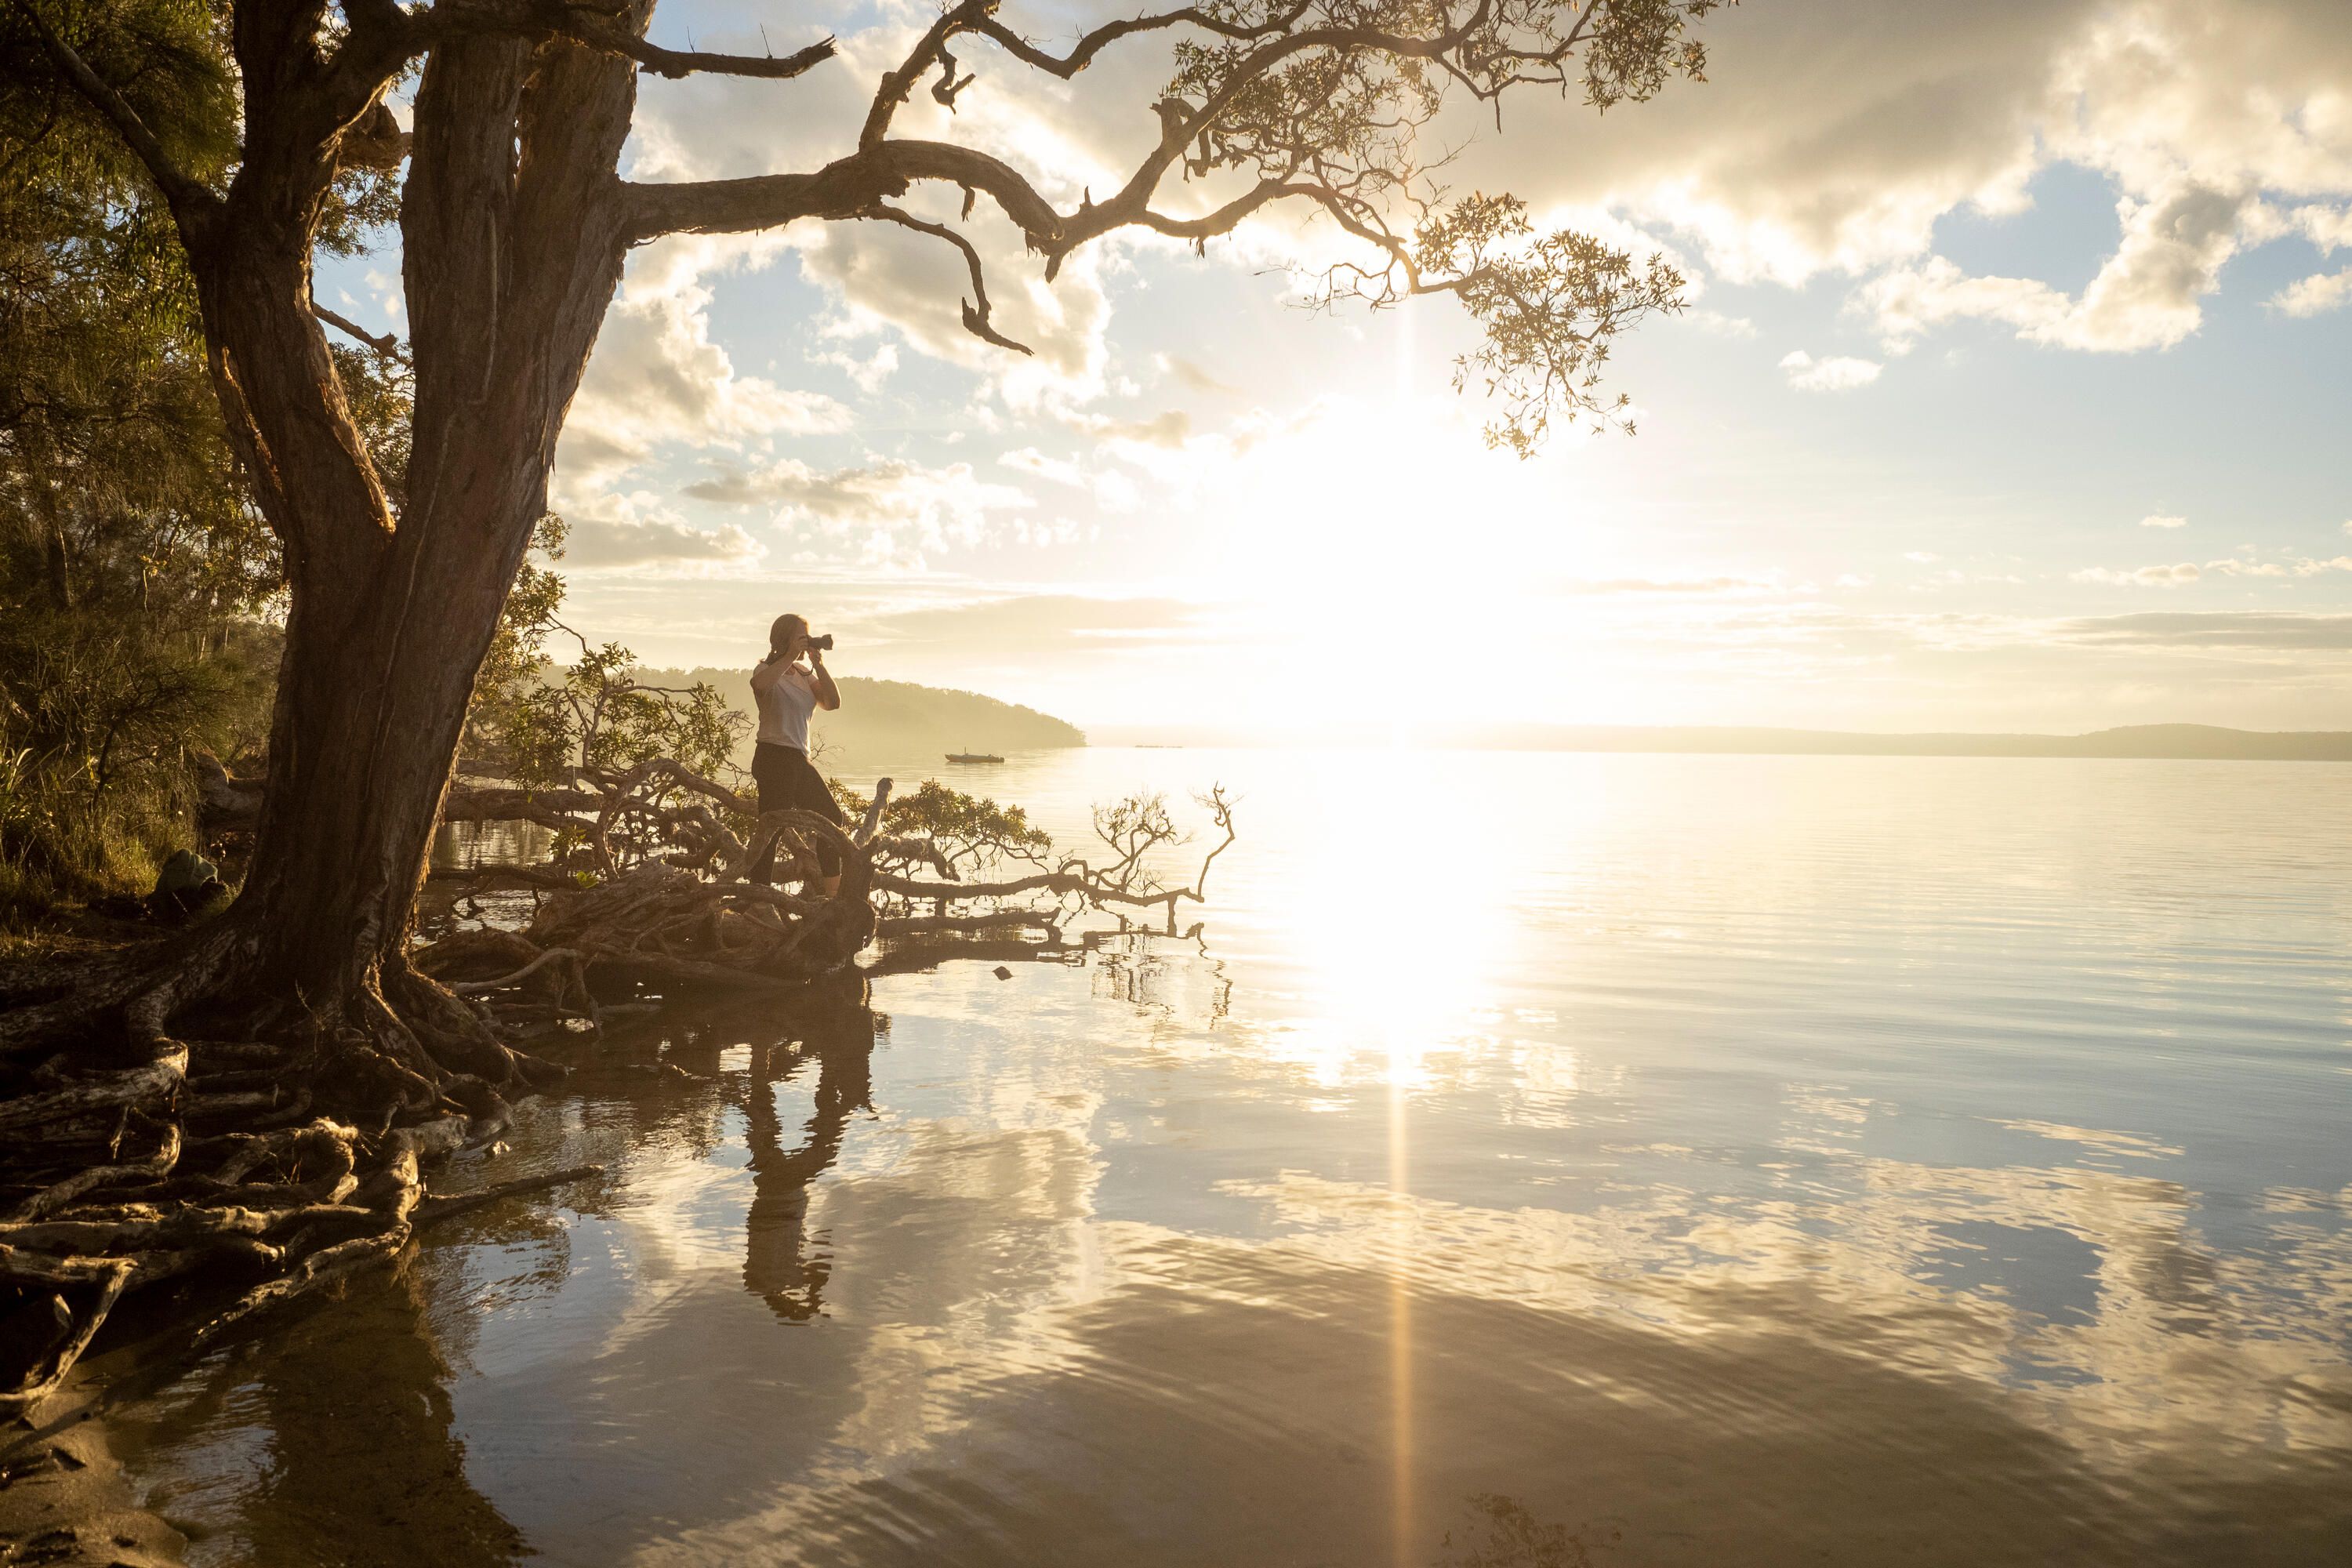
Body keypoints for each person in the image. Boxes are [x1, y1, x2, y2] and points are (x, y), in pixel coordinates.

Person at [748, 613, 848, 895]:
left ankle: (833, 895)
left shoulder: (805, 675)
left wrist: (819, 665)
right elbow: (760, 687)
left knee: (831, 818)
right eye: (801, 636)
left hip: (798, 758)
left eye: (807, 635)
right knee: (771, 828)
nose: (806, 640)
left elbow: (833, 702)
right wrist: (790, 656)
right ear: (785, 639)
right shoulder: (765, 670)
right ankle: (758, 896)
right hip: (772, 756)